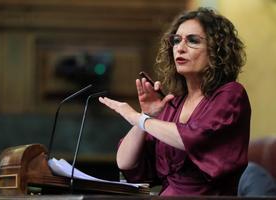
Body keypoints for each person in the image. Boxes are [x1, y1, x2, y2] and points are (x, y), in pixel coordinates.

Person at [99, 7, 251, 196]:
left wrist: (137, 118)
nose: (180, 48)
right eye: (176, 40)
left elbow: (193, 138)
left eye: (193, 40)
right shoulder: (174, 103)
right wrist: (147, 115)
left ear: (217, 51)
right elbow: (125, 162)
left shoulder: (230, 94)